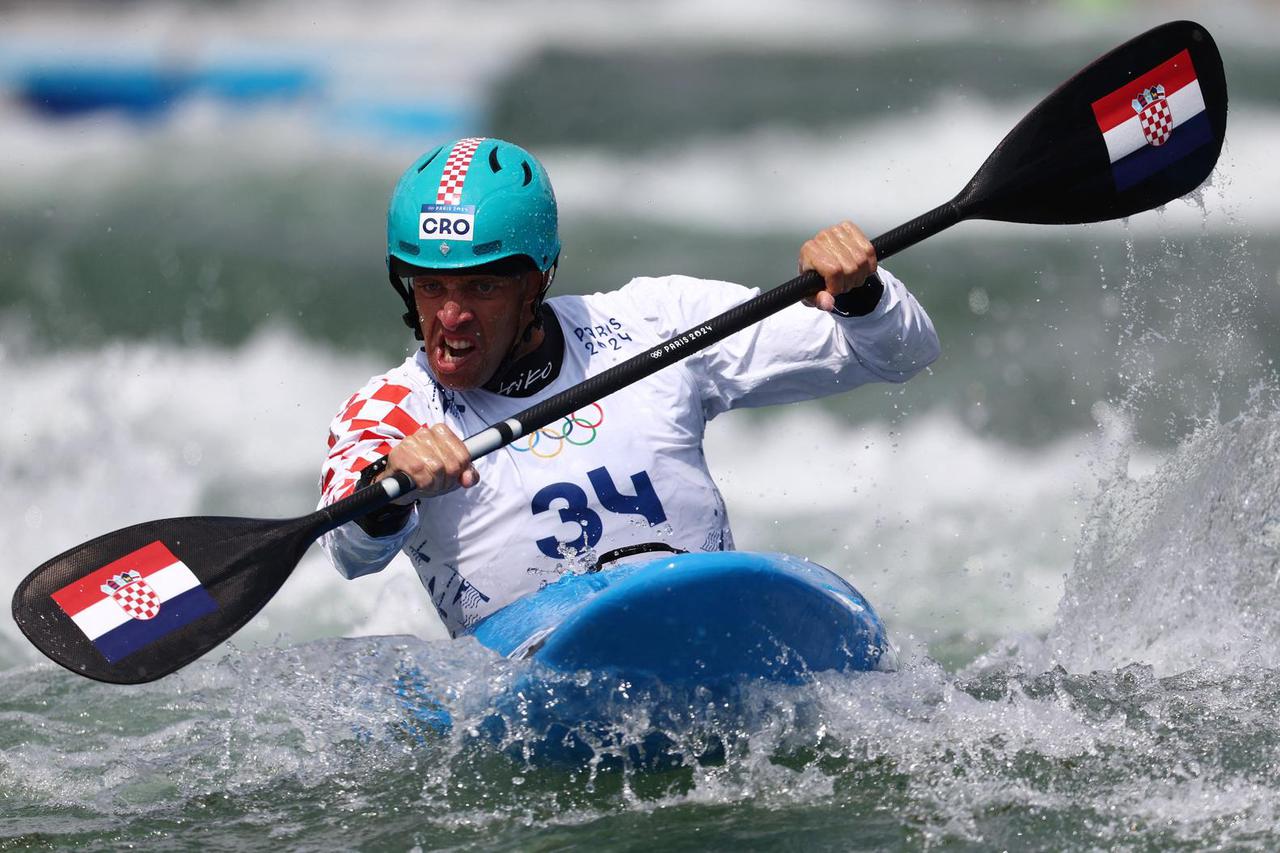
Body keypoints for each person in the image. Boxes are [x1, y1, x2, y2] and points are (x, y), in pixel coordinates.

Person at [319, 137, 940, 637]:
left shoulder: (654, 322)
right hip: (530, 681)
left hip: (709, 627)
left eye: (481, 287)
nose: (451, 316)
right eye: (430, 287)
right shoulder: (391, 410)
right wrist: (388, 491)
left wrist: (862, 293)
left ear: (535, 283)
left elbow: (899, 354)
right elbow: (349, 553)